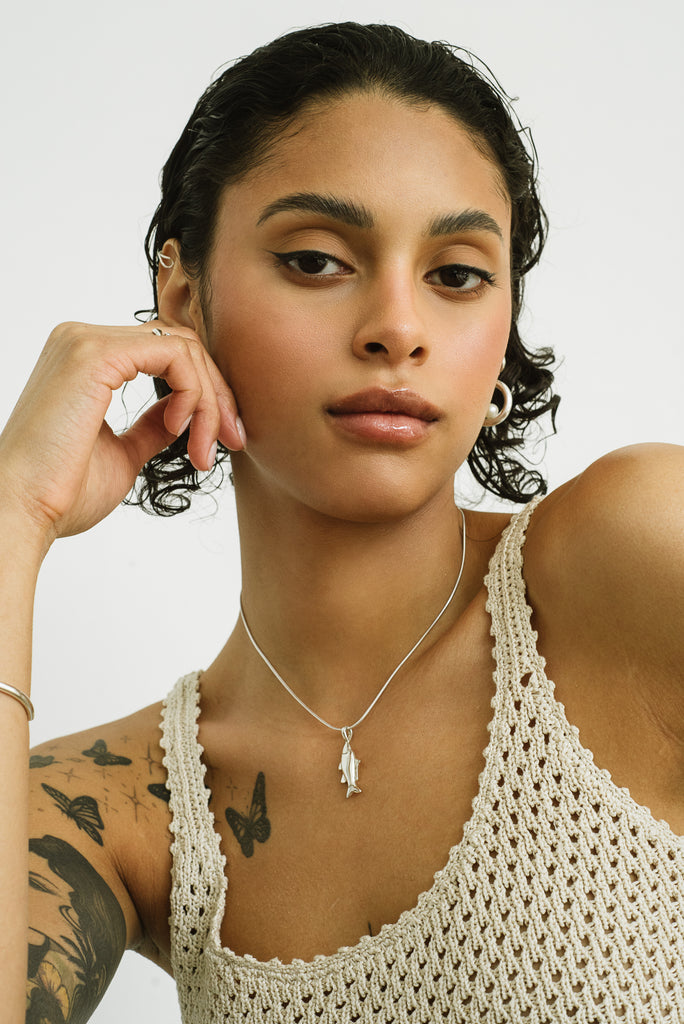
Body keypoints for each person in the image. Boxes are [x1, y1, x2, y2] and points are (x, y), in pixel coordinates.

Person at [1, 20, 682, 1023]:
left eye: (456, 275)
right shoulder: (116, 808)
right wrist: (13, 515)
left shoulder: (634, 560)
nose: (398, 328)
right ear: (183, 301)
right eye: (318, 260)